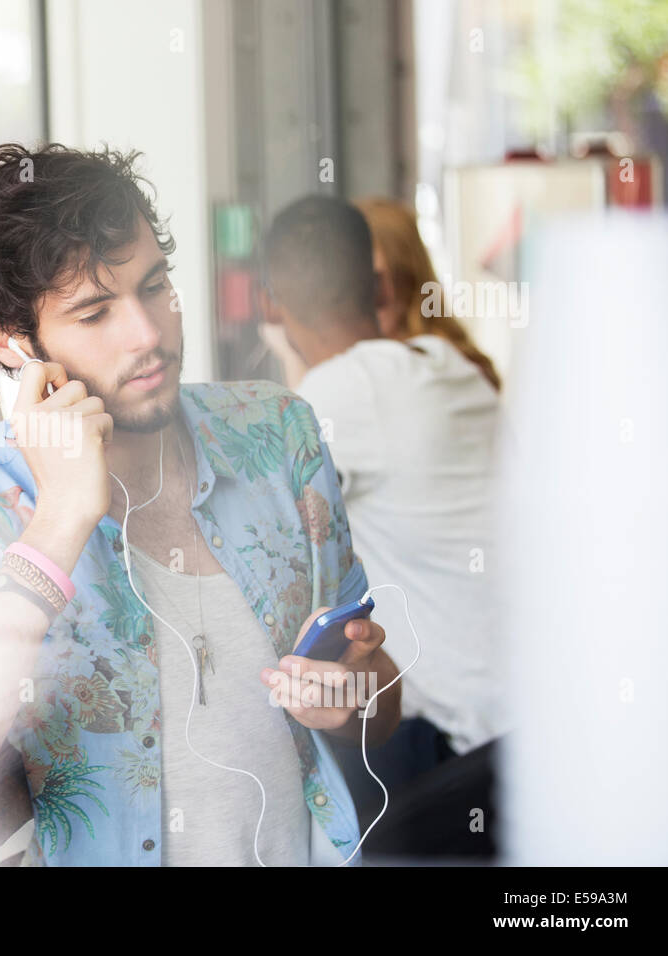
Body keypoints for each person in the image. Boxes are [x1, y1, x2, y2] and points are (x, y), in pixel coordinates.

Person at [0, 143, 401, 867]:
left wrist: (354, 700)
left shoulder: (279, 435)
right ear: (6, 339)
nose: (148, 335)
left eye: (155, 287)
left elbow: (380, 702)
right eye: (94, 313)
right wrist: (59, 523)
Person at [260, 194, 508, 833]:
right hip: (530, 721)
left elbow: (258, 507)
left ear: (271, 309)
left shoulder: (340, 395)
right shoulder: (452, 367)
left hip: (463, 749)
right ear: (378, 287)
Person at [353, 196, 502, 392]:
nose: (360, 298)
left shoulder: (455, 366)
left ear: (407, 278)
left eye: (373, 281)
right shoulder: (351, 366)